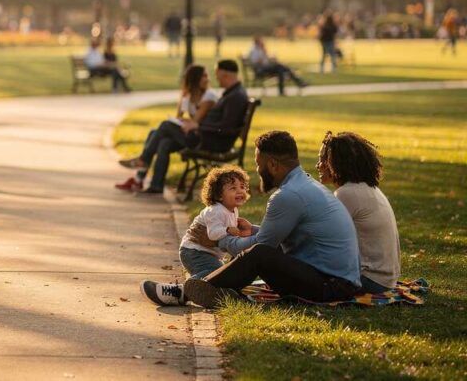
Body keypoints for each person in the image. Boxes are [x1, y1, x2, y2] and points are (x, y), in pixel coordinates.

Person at [182, 131, 362, 308]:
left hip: (330, 286)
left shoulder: (288, 195)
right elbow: (276, 237)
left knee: (261, 253)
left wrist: (222, 240)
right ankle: (209, 287)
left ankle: (206, 287)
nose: (258, 171)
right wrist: (251, 230)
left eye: (259, 164)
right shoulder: (305, 184)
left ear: (273, 165)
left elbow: (261, 248)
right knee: (263, 249)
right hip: (340, 282)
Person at [118, 60, 245, 193]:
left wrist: (198, 126)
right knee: (165, 142)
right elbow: (220, 124)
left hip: (210, 141)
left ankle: (143, 160)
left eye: (218, 77)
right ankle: (156, 186)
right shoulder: (232, 94)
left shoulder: (235, 97)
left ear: (226, 75)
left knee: (165, 125)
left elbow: (226, 128)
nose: (217, 81)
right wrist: (196, 125)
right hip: (206, 137)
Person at [141, 166, 251, 305]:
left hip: (208, 254)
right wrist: (229, 230)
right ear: (218, 195)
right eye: (233, 188)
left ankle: (223, 296)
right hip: (194, 252)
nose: (240, 191)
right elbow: (213, 234)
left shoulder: (232, 210)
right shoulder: (215, 211)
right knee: (215, 274)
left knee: (222, 276)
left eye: (242, 186)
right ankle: (178, 292)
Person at [316, 131, 400, 293]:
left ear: (336, 163)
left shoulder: (347, 193)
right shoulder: (368, 188)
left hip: (369, 280)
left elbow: (321, 239)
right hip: (384, 280)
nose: (318, 165)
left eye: (322, 160)